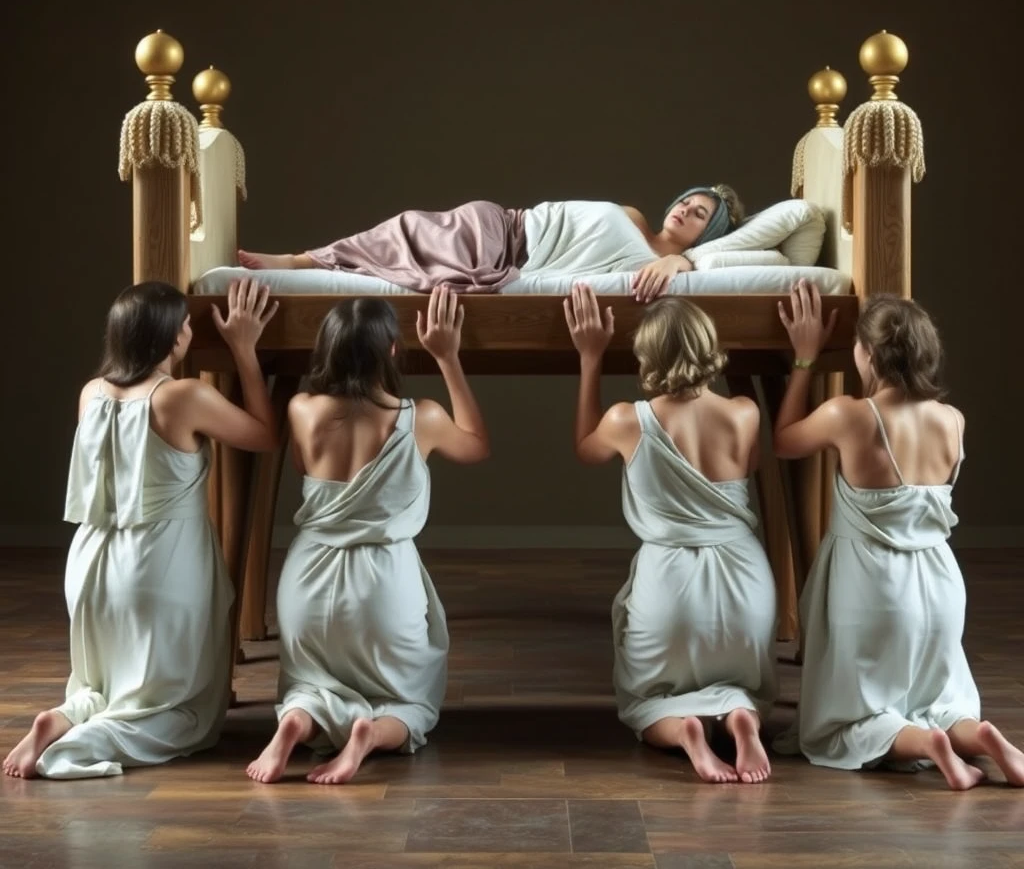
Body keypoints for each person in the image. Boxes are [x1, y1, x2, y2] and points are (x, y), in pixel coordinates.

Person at [2, 278, 279, 779]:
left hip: (90, 564)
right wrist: (243, 347)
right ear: (174, 338)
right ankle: (82, 741)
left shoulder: (91, 394)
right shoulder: (181, 397)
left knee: (108, 684)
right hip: (158, 565)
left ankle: (65, 716)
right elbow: (265, 434)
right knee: (185, 713)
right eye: (187, 325)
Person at [773, 281, 1024, 790]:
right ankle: (981, 738)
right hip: (939, 589)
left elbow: (783, 441)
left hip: (873, 589)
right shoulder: (952, 421)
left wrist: (804, 359)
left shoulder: (850, 416)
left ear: (866, 354)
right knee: (939, 699)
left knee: (847, 723)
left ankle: (927, 743)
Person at [245, 284, 489, 785]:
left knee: (309, 682)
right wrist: (447, 356)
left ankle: (296, 720)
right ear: (393, 352)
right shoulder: (420, 418)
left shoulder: (301, 409)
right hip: (381, 585)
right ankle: (371, 734)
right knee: (411, 699)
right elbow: (477, 446)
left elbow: (297, 461)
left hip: (306, 581)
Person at [563, 283, 777, 783]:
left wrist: (590, 357)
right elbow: (752, 467)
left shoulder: (626, 421)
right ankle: (742, 719)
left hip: (671, 587)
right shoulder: (745, 412)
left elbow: (584, 448)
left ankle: (685, 733)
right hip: (746, 585)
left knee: (645, 700)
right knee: (744, 687)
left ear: (646, 356)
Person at [237, 186, 744, 300]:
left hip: (512, 260)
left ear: (710, 233)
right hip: (501, 228)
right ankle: (300, 259)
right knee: (408, 226)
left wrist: (679, 262)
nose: (684, 210)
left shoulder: (676, 263)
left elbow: (690, 269)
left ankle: (312, 264)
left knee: (411, 250)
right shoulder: (633, 216)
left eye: (700, 214)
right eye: (685, 200)